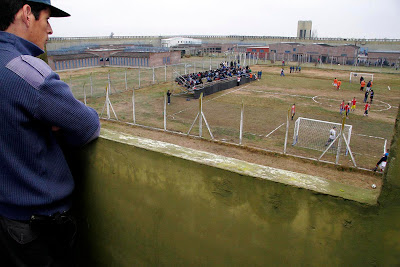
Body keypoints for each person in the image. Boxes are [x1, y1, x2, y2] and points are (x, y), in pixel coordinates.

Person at [0, 1, 101, 266]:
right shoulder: (27, 73)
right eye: (46, 19)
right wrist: (59, 126)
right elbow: (87, 125)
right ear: (26, 13)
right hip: (38, 228)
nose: (51, 30)